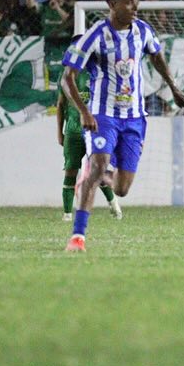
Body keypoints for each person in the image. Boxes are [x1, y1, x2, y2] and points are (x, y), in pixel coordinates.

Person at [60, 0, 184, 252]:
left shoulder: (143, 31)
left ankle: (94, 176)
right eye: (130, 2)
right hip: (102, 115)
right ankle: (78, 237)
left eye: (137, 2)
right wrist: (84, 111)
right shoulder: (95, 35)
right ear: (112, 4)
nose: (136, 7)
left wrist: (174, 88)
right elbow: (67, 77)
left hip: (134, 117)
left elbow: (157, 57)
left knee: (122, 189)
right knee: (98, 167)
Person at [57, 34, 122, 224]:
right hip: (73, 132)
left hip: (94, 131)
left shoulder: (98, 73)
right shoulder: (67, 77)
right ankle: (67, 214)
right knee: (70, 171)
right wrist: (59, 132)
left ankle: (113, 204)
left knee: (98, 170)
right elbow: (60, 105)